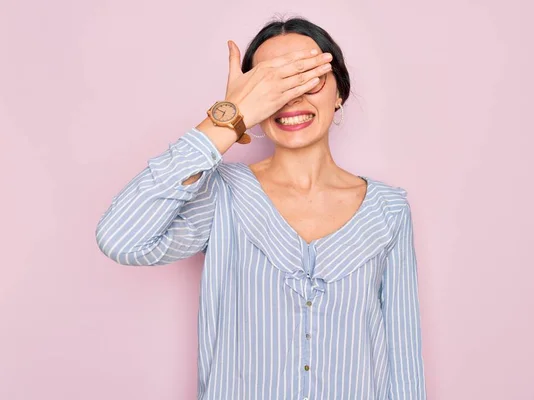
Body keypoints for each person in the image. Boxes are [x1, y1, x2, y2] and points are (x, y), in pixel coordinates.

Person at [96, 16, 426, 400]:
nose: (291, 97)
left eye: (308, 77)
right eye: (271, 84)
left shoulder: (388, 211)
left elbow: (403, 363)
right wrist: (228, 116)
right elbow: (122, 239)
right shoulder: (223, 196)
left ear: (339, 93)